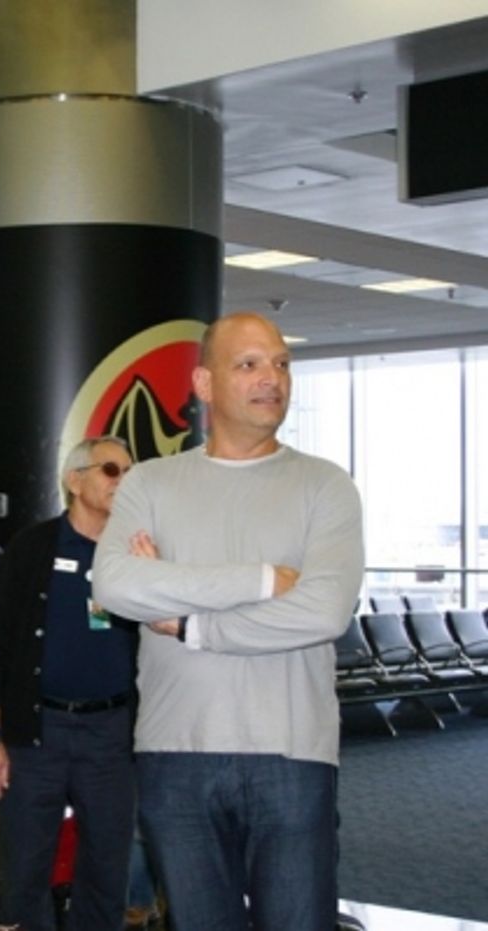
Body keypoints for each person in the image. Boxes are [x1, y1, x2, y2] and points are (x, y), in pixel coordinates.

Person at [92, 312, 365, 931]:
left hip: (292, 754)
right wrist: (265, 580)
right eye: (248, 364)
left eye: (281, 364)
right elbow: (116, 585)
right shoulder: (150, 484)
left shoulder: (326, 487)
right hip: (174, 753)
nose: (271, 378)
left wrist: (192, 624)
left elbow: (323, 611)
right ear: (204, 384)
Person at [0, 436, 139, 931]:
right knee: (27, 865)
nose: (124, 481)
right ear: (75, 480)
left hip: (111, 732)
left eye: (131, 472)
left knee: (108, 866)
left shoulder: (138, 551)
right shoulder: (34, 547)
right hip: (38, 730)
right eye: (112, 470)